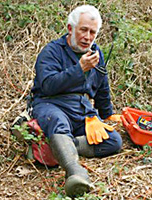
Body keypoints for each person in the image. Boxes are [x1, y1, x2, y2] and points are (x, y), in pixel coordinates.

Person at [31, 5, 122, 197]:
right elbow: (47, 85)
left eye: (92, 32)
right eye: (83, 30)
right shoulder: (52, 51)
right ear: (71, 28)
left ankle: (57, 146)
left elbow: (102, 86)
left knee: (113, 140)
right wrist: (79, 69)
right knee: (57, 122)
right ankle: (75, 172)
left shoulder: (96, 53)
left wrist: (107, 114)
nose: (87, 37)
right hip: (51, 104)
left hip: (82, 109)